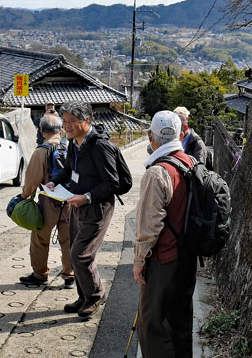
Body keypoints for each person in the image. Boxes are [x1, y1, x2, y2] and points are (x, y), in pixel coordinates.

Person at [46, 101, 119, 318]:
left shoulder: (99, 147)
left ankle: (95, 295)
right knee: (73, 252)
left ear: (86, 120)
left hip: (97, 208)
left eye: (72, 121)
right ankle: (83, 297)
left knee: (81, 254)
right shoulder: (74, 144)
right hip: (77, 204)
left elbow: (112, 182)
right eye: (64, 121)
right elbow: (69, 170)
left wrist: (87, 197)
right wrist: (54, 182)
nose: (66, 126)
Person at [133, 110, 197, 358]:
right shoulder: (191, 163)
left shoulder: (157, 172)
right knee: (180, 322)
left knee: (153, 325)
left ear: (151, 136)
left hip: (163, 260)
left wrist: (139, 261)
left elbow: (149, 226)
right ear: (180, 135)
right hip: (187, 257)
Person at [18, 114, 74, 288]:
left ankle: (40, 274)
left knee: (40, 240)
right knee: (68, 240)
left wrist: (25, 195)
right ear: (61, 129)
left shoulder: (41, 151)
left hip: (48, 201)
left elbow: (32, 179)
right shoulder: (70, 147)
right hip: (70, 201)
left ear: (42, 131)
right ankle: (70, 275)